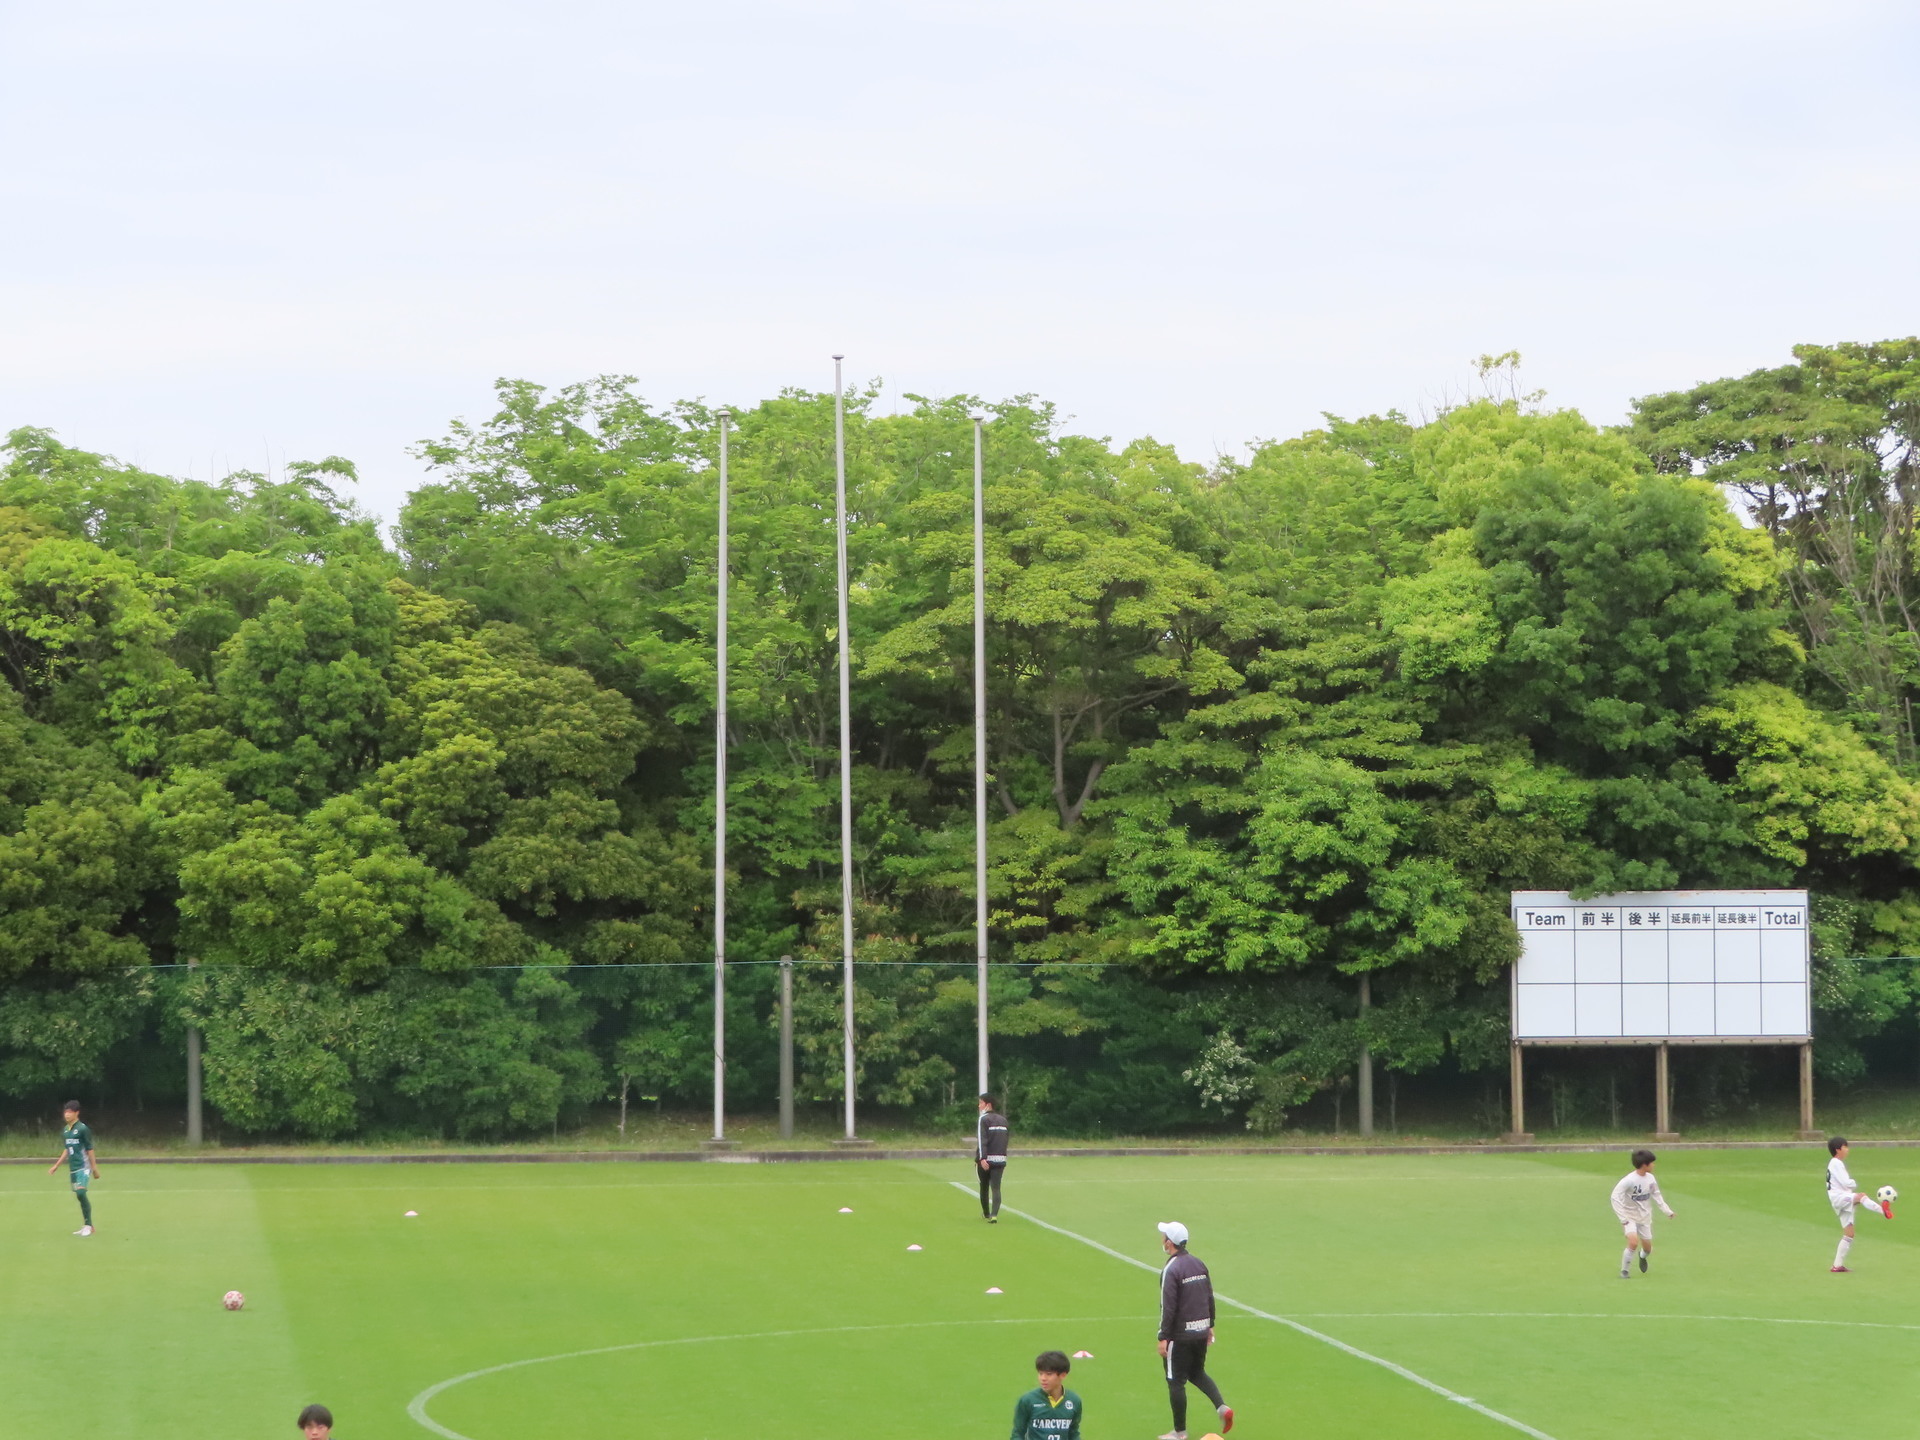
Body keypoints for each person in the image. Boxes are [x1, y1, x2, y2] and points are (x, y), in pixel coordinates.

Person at [1156, 1220, 1233, 1440]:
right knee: (1196, 1372)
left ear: (1169, 1243)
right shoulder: (1199, 1264)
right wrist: (1210, 1325)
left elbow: (1168, 1306)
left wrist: (1164, 1337)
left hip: (1179, 1335)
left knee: (1175, 1380)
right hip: (1200, 1330)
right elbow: (1209, 1296)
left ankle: (1179, 1432)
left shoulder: (1172, 1268)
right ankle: (1221, 1407)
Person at [1826, 1135, 1892, 1272]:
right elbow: (1845, 1182)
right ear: (1838, 1149)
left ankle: (1837, 1266)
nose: (1847, 1150)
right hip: (1839, 1197)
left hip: (1839, 1199)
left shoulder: (1834, 1163)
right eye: (1845, 1147)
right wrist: (1853, 1183)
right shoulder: (1836, 1163)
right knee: (1861, 1197)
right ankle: (1883, 1211)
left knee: (1849, 1233)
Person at [1610, 1148, 1675, 1277]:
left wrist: (1667, 1211)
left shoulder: (1650, 1179)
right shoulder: (1628, 1180)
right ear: (1644, 1165)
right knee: (1633, 1242)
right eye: (1652, 1163)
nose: (1654, 1165)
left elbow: (1657, 1195)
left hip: (1644, 1218)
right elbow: (1614, 1197)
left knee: (1647, 1248)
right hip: (1630, 1216)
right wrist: (1623, 1218)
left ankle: (1642, 1256)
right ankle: (1624, 1271)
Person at [46, 1100, 97, 1236]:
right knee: (80, 1196)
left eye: (70, 1112)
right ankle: (88, 1225)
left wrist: (94, 1168)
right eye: (66, 1112)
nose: (67, 1115)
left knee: (81, 1193)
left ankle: (88, 1225)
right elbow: (67, 1149)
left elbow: (89, 1149)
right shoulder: (65, 1131)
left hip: (83, 1166)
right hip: (73, 1168)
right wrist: (56, 1165)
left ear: (77, 1113)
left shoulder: (83, 1129)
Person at [1008, 1350, 1082, 1440]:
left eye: (1049, 1374)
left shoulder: (1074, 1401)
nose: (1043, 1378)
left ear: (1062, 1375)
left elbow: (1073, 1433)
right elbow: (1018, 1434)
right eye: (1040, 1373)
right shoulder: (1028, 1400)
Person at [976, 1094, 1009, 1222]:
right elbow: (1005, 1140)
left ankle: (986, 1213)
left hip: (986, 1159)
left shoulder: (983, 1119)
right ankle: (994, 1215)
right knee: (996, 1188)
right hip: (1000, 1159)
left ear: (988, 1104)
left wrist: (982, 1158)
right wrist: (1003, 1158)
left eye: (981, 1103)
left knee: (983, 1187)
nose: (979, 1106)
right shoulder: (1003, 1120)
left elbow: (982, 1140)